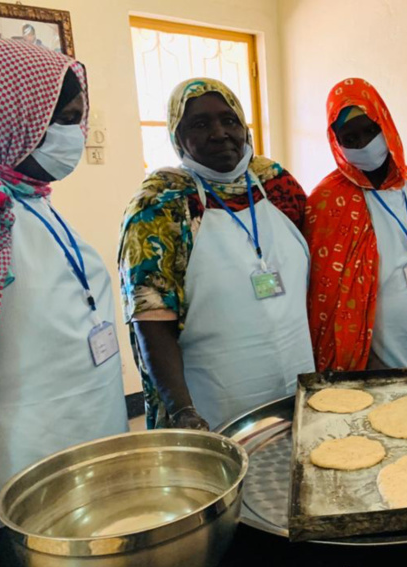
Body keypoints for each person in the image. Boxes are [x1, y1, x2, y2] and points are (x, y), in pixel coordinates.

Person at [119, 79, 313, 431]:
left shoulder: (275, 184)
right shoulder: (160, 205)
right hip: (215, 401)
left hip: (298, 381)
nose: (220, 133)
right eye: (200, 124)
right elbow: (151, 324)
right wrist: (183, 412)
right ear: (178, 137)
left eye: (229, 120)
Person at [0, 40, 128, 529]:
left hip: (94, 428)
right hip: (28, 455)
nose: (77, 133)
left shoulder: (32, 199)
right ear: (10, 117)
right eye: (63, 119)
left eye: (78, 117)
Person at [304, 78, 407, 372]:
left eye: (370, 131)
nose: (364, 144)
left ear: (384, 122)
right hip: (372, 361)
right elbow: (327, 303)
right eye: (350, 137)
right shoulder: (328, 200)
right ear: (336, 141)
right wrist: (360, 362)